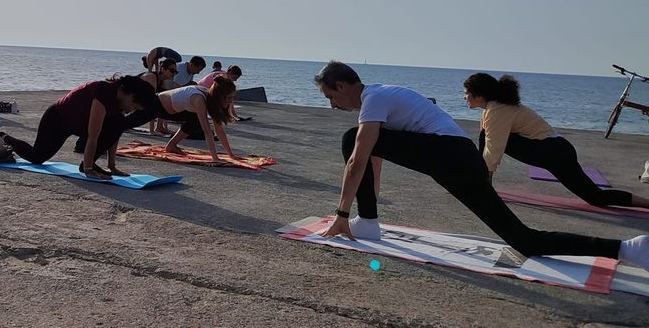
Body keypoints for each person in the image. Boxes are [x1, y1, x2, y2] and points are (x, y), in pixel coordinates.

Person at [314, 61, 649, 270]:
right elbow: (373, 159)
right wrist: (366, 208)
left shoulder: (374, 99)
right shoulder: (382, 99)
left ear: (343, 86)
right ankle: (629, 248)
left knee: (350, 138)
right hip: (459, 160)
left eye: (331, 96)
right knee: (526, 242)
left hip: (450, 155)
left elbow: (358, 157)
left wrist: (343, 216)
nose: (332, 105)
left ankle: (366, 222)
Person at [464, 72, 649, 208]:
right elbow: (490, 145)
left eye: (467, 93)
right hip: (556, 149)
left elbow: (493, 148)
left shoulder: (498, 110)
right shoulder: (495, 108)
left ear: (479, 95)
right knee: (596, 198)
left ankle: (482, 184)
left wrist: (485, 183)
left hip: (551, 151)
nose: (464, 97)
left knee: (488, 138)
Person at [0, 75, 157, 179]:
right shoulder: (104, 92)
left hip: (78, 123)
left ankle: (90, 164)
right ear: (130, 95)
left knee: (118, 124)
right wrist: (88, 170)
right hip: (57, 119)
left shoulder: (118, 103)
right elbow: (93, 136)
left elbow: (114, 135)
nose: (132, 110)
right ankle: (6, 138)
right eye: (134, 106)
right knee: (37, 158)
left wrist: (112, 167)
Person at [157, 76, 238, 162]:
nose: (231, 101)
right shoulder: (199, 99)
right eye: (229, 98)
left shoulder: (212, 99)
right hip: (157, 106)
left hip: (172, 110)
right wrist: (215, 158)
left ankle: (171, 145)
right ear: (220, 96)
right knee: (199, 121)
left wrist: (231, 155)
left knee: (196, 120)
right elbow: (207, 131)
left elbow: (219, 130)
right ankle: (172, 144)